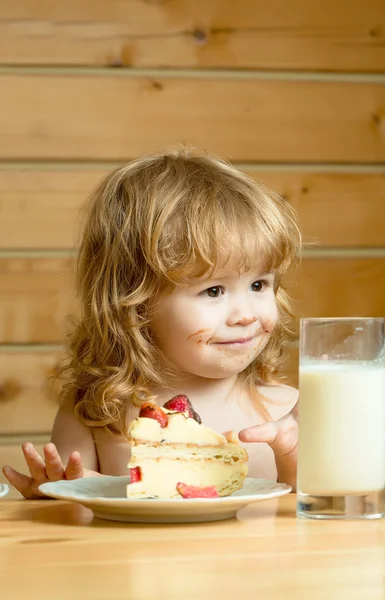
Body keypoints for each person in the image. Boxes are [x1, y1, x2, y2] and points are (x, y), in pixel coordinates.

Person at [2, 147, 301, 499]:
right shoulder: (95, 410)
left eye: (258, 285)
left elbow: (319, 522)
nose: (247, 314)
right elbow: (77, 515)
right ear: (136, 301)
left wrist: (293, 458)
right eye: (214, 290)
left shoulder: (289, 411)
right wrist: (51, 496)